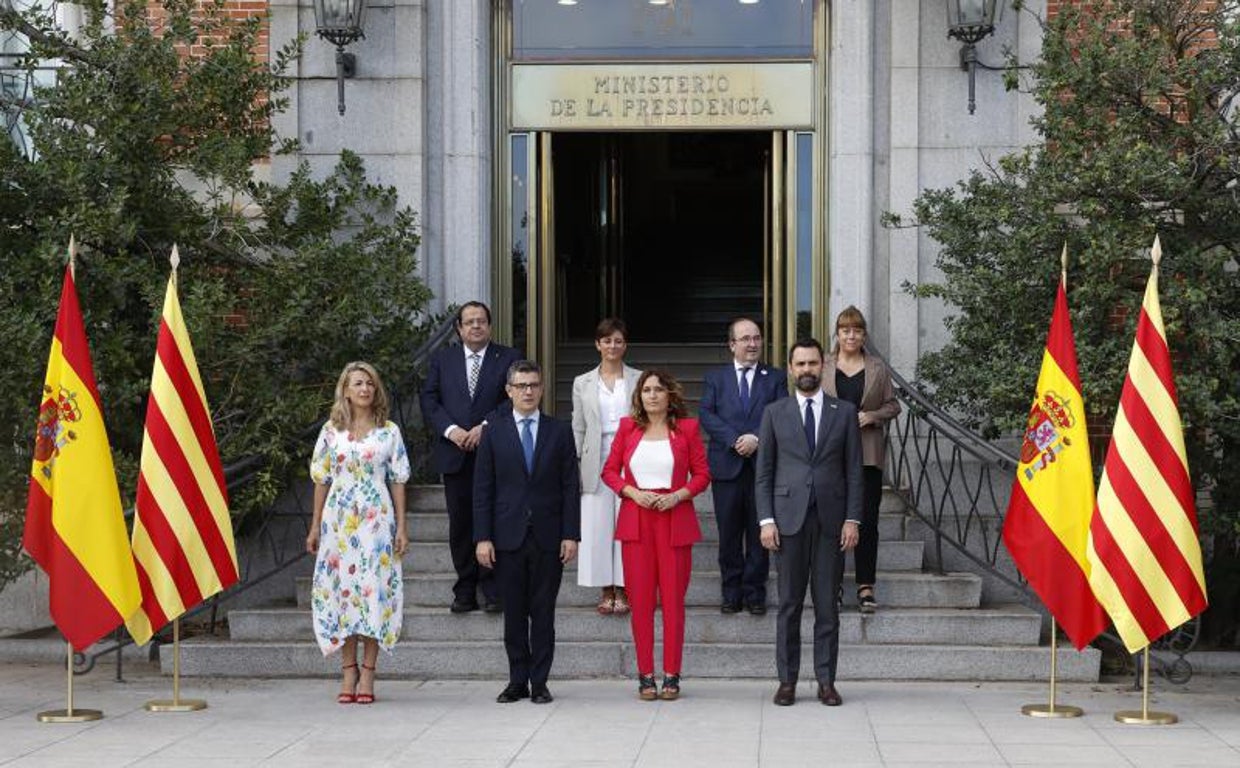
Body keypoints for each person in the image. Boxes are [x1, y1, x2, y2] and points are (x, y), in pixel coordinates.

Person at [756, 339, 862, 707]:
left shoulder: (844, 412)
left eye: (813, 363)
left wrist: (853, 518)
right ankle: (787, 682)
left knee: (827, 607)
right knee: (788, 605)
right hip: (787, 522)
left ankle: (826, 682)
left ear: (823, 366)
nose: (806, 370)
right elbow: (764, 473)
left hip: (832, 522)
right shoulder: (774, 412)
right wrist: (766, 520)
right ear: (790, 368)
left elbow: (854, 471)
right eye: (799, 364)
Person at [474, 361, 580, 704]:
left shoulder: (559, 431)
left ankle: (540, 682)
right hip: (506, 537)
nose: (528, 391)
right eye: (521, 386)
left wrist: (571, 534)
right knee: (514, 613)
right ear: (509, 391)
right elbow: (483, 489)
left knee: (544, 612)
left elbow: (569, 486)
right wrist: (482, 537)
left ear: (542, 388)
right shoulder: (494, 432)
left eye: (533, 384)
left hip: (549, 536)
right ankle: (516, 680)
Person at [602, 370, 710, 701]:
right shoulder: (627, 428)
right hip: (637, 520)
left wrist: (679, 495)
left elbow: (703, 474)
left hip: (674, 519)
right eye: (646, 390)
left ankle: (672, 675)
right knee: (642, 603)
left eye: (658, 389)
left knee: (674, 602)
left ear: (669, 395)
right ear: (640, 396)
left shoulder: (687, 429)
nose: (652, 395)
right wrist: (632, 492)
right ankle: (646, 675)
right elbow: (609, 471)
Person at [306, 362, 410, 705]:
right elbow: (321, 479)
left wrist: (402, 526)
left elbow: (398, 479)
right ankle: (347, 670)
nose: (364, 389)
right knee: (344, 595)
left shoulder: (389, 431)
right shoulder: (331, 431)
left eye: (369, 383)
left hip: (376, 522)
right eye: (358, 383)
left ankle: (368, 673)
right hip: (338, 521)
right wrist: (315, 524)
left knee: (373, 593)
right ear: (346, 390)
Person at [420, 301, 522, 614]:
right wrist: (451, 431)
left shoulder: (509, 358)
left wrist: (485, 427)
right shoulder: (443, 359)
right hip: (455, 453)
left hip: (494, 452)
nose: (476, 326)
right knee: (461, 523)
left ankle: (493, 588)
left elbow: (515, 398)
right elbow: (429, 399)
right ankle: (465, 588)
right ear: (459, 329)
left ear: (490, 326)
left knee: (494, 519)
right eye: (469, 322)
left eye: (481, 321)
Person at [698, 317, 787, 615]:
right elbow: (706, 415)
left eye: (757, 338)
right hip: (727, 466)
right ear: (732, 344)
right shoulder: (715, 378)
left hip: (762, 468)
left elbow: (782, 414)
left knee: (759, 532)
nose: (753, 344)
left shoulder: (774, 377)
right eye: (746, 338)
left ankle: (755, 593)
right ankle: (730, 592)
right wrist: (736, 439)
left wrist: (758, 439)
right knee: (729, 535)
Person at [822, 306, 901, 614]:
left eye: (856, 330)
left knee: (866, 520)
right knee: (833, 519)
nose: (851, 335)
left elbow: (893, 406)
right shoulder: (825, 366)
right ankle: (834, 583)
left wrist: (872, 415)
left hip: (867, 452)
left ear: (863, 334)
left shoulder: (876, 367)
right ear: (838, 334)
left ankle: (866, 585)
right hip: (831, 453)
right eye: (845, 330)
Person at [571, 318, 642, 616]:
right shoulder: (582, 381)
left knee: (627, 524)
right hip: (595, 457)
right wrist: (574, 462)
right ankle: (605, 588)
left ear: (625, 345)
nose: (612, 346)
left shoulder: (640, 378)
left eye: (618, 340)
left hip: (631, 456)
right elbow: (578, 426)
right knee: (597, 525)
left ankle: (625, 587)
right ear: (597, 344)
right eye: (607, 340)